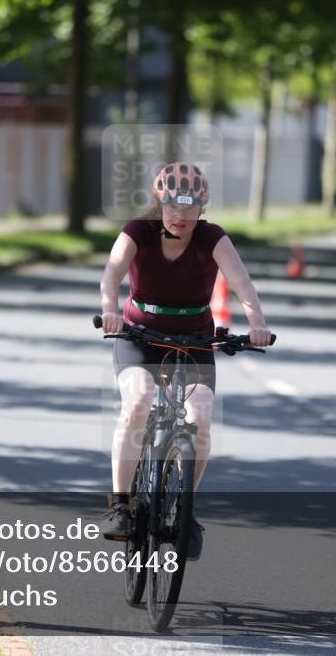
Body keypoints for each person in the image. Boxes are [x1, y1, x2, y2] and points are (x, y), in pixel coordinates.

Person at [98, 162, 272, 560]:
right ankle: (120, 506)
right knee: (138, 403)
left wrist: (257, 324)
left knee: (200, 417)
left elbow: (241, 282)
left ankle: (184, 512)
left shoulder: (211, 237)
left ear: (202, 208)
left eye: (190, 207)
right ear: (160, 203)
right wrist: (110, 310)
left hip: (194, 340)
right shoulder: (138, 230)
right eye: (173, 205)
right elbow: (112, 273)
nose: (180, 215)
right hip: (140, 337)